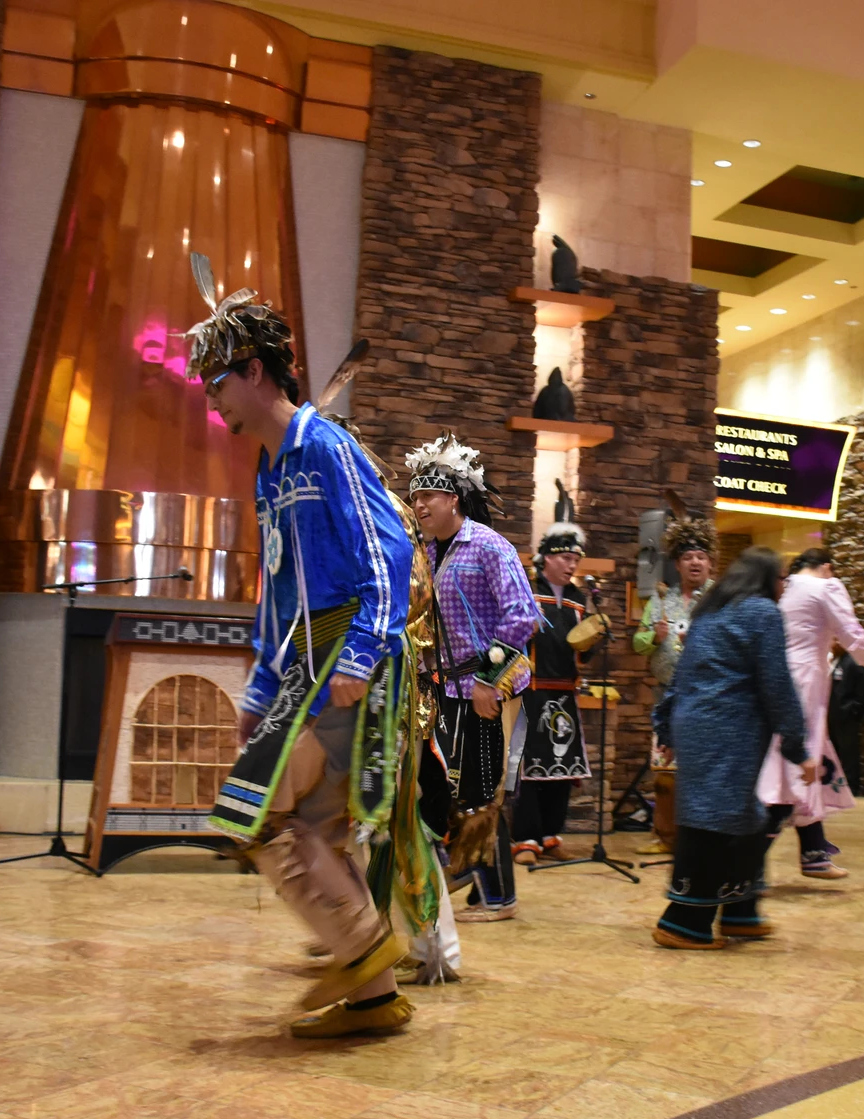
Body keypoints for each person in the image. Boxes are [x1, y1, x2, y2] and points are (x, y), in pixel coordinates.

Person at [187, 252, 423, 1039]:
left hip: (344, 655)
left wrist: (359, 654)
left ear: (254, 371)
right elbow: (278, 592)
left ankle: (361, 951)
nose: (212, 398)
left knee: (265, 819)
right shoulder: (269, 470)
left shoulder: (326, 448)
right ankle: (371, 990)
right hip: (304, 662)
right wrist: (261, 692)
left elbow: (386, 553)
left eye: (217, 381)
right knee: (300, 826)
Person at [652, 547, 816, 950]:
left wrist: (667, 730)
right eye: (783, 579)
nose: (784, 587)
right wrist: (798, 746)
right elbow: (776, 684)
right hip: (729, 727)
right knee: (716, 819)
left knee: (743, 815)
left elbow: (679, 676)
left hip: (695, 723)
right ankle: (684, 921)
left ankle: (741, 910)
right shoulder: (761, 612)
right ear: (768, 579)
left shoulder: (711, 609)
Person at [409, 433, 539, 921]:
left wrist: (490, 681)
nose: (419, 504)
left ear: (454, 499)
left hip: (487, 688)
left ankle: (498, 895)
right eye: (415, 496)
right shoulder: (428, 551)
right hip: (445, 688)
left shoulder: (487, 545)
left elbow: (521, 616)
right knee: (451, 789)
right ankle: (468, 872)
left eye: (428, 496)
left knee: (485, 790)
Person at [757, 548, 864, 879]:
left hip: (778, 680)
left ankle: (814, 851)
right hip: (805, 684)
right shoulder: (826, 586)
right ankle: (747, 863)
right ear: (827, 567)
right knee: (794, 768)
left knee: (808, 762)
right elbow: (852, 633)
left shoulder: (786, 589)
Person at [512, 520, 599, 865]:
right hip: (533, 691)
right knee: (531, 769)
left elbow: (584, 654)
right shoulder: (527, 591)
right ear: (545, 558)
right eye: (564, 558)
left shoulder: (579, 600)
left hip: (565, 692)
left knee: (562, 767)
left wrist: (595, 635)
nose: (571, 565)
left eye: (575, 559)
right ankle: (525, 839)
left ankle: (550, 836)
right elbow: (507, 638)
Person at [632, 505, 716, 854]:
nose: (695, 563)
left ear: (710, 563)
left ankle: (700, 837)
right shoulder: (660, 600)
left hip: (706, 696)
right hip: (667, 696)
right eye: (688, 557)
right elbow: (638, 644)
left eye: (701, 557)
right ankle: (664, 836)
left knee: (703, 767)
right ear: (678, 564)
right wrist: (654, 636)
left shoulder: (718, 599)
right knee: (664, 766)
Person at [826, 641, 864, 795]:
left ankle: (851, 787)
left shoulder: (855, 661)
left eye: (836, 640)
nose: (833, 644)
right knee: (836, 752)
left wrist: (854, 710)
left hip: (847, 716)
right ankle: (836, 787)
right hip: (833, 715)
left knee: (849, 754)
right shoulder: (837, 660)